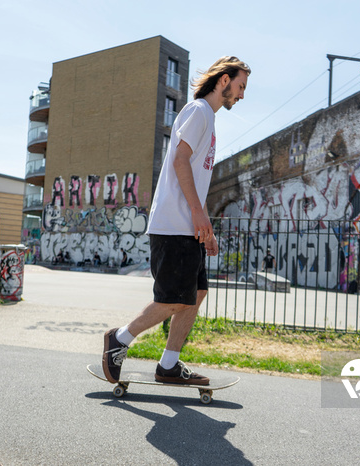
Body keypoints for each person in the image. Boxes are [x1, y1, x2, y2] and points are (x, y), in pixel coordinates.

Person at [103, 56, 250, 385]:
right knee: (171, 298)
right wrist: (198, 215)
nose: (241, 95)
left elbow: (194, 177)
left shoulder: (207, 119)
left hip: (188, 226)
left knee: (195, 294)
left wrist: (205, 226)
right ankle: (120, 339)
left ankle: (168, 365)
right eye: (240, 86)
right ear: (223, 80)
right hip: (174, 224)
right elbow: (180, 161)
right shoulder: (199, 111)